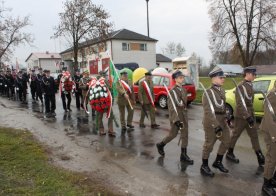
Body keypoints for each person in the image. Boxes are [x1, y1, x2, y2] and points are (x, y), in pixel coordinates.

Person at [226, 66, 265, 166]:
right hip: (241, 117)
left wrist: (251, 116)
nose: (255, 76)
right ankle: (229, 153)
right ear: (247, 74)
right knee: (235, 135)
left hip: (250, 115)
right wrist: (247, 116)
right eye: (253, 74)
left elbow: (249, 102)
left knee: (254, 136)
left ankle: (260, 156)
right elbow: (239, 104)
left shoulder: (250, 85)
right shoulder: (241, 86)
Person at [156, 70, 193, 164]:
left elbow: (184, 104)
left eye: (183, 77)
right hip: (176, 116)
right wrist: (176, 119)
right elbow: (171, 108)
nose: (182, 79)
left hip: (183, 115)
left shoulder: (184, 90)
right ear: (175, 79)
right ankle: (161, 144)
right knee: (173, 134)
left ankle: (183, 155)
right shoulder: (172, 92)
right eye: (180, 77)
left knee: (185, 134)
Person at [200, 66, 230, 177]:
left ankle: (218, 161)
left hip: (222, 121)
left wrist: (227, 116)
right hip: (211, 123)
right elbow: (208, 112)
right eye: (221, 77)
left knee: (227, 141)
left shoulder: (221, 90)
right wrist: (216, 125)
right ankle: (204, 166)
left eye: (223, 77)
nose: (223, 79)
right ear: (214, 78)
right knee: (209, 145)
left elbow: (222, 107)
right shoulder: (207, 93)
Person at [259, 86, 276, 196]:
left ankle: (273, 179)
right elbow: (269, 118)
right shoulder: (272, 95)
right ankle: (266, 184)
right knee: (272, 157)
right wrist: (275, 135)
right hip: (271, 131)